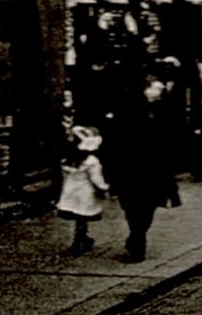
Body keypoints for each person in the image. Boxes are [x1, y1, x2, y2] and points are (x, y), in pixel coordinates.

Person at [105, 72, 182, 263]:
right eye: (157, 87)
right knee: (131, 206)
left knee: (149, 206)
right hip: (131, 167)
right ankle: (137, 240)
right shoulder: (129, 109)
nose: (161, 90)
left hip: (155, 168)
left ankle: (137, 238)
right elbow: (118, 138)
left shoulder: (163, 109)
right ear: (146, 89)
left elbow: (172, 135)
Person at [56, 125, 109, 256]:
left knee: (78, 217)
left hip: (71, 192)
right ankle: (80, 240)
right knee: (82, 217)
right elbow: (96, 179)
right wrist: (104, 188)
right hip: (85, 193)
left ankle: (82, 239)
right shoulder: (91, 161)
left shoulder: (69, 160)